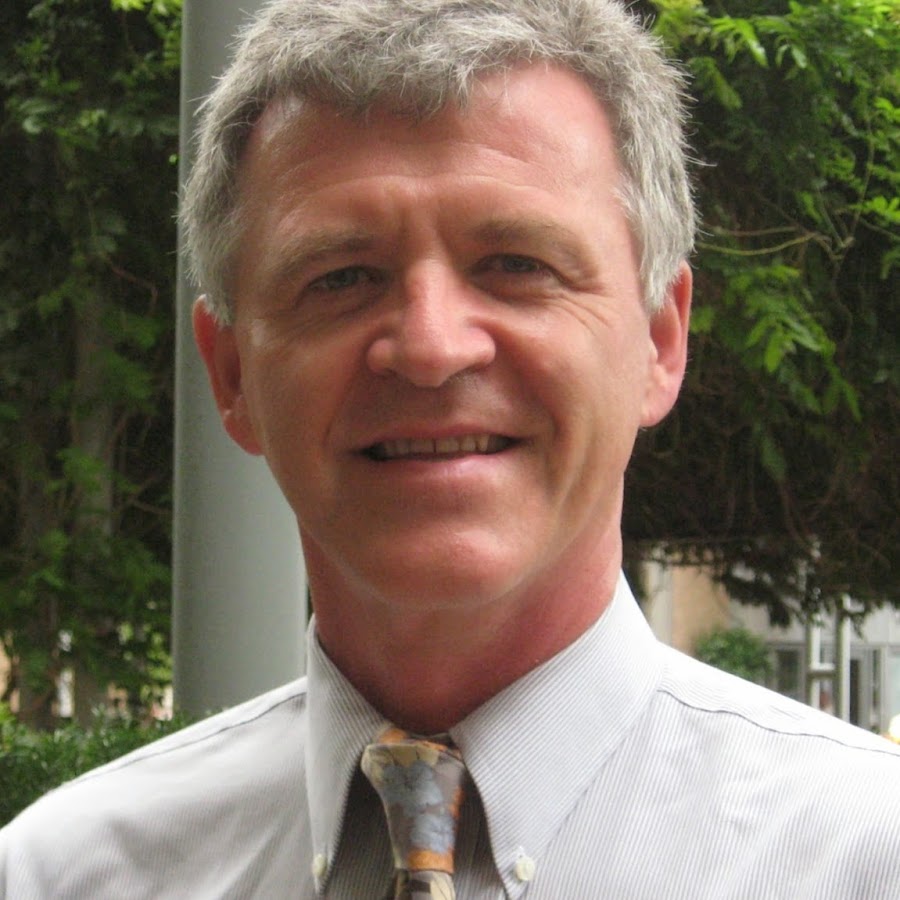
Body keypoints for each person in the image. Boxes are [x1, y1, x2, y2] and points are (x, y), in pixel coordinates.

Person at [2, 0, 899, 897]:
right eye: (341, 278)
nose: (431, 348)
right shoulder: (63, 876)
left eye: (518, 265)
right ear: (231, 374)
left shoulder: (866, 859)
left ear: (661, 341)